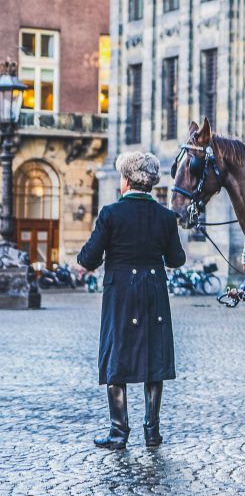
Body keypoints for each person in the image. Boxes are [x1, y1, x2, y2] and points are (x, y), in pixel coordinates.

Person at [78, 151, 186, 449]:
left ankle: (118, 432)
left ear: (125, 181)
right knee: (154, 357)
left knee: (117, 356)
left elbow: (89, 257)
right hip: (153, 291)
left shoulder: (111, 214)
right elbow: (177, 259)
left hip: (121, 292)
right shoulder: (166, 217)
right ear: (150, 183)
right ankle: (152, 432)